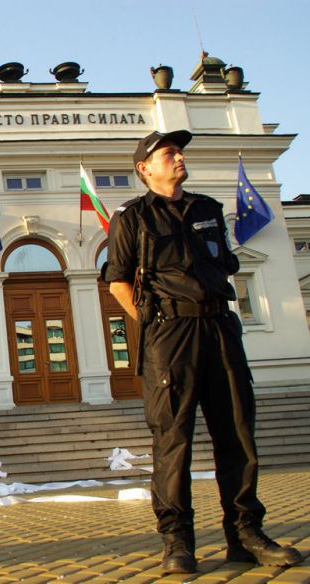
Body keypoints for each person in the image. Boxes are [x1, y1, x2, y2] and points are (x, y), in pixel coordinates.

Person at [101, 130, 302, 575]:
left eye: (179, 151)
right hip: (170, 335)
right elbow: (117, 281)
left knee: (237, 437)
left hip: (220, 328)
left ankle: (245, 535)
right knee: (173, 442)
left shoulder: (208, 209)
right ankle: (177, 542)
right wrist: (156, 324)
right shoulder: (131, 217)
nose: (178, 157)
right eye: (168, 152)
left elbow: (226, 265)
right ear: (144, 168)